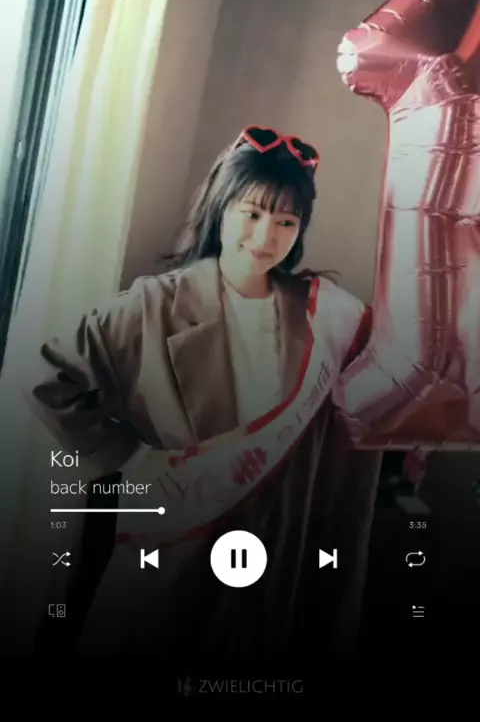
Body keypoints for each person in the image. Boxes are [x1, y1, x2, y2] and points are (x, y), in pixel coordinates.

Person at [26, 126, 382, 660]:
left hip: (275, 549)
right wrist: (131, 459)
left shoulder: (320, 311)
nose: (265, 237)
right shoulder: (154, 305)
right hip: (179, 540)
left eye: (286, 222)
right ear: (222, 206)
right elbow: (48, 380)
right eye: (252, 214)